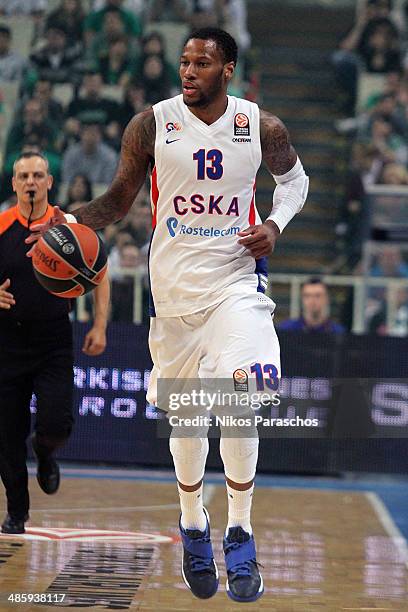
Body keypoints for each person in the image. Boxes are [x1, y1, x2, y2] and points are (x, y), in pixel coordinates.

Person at [27, 28, 309, 602]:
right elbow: (118, 201)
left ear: (227, 68)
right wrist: (67, 221)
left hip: (236, 285)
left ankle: (241, 531)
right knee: (186, 425)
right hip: (173, 298)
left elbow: (295, 182)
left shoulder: (261, 126)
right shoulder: (151, 123)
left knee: (241, 396)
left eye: (202, 63)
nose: (188, 71)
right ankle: (193, 523)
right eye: (184, 61)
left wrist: (274, 225)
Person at [0, 152, 110, 535]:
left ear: (49, 182)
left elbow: (101, 269)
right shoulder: (0, 224)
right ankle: (17, 513)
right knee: (6, 435)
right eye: (23, 176)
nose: (31, 182)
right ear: (14, 183)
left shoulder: (68, 226)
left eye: (38, 175)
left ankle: (46, 452)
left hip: (53, 337)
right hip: (6, 341)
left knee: (56, 422)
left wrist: (99, 324)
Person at [279, 278, 345, 334]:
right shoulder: (286, 330)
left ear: (326, 298)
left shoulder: (337, 332)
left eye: (318, 296)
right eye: (307, 296)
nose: (312, 301)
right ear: (302, 299)